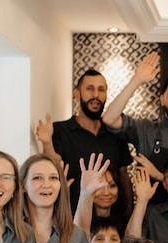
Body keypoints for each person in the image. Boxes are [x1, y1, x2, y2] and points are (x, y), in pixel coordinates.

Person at [102, 53, 168, 187]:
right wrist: (136, 80)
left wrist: (159, 176)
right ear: (162, 99)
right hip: (148, 201)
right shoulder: (144, 128)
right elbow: (109, 119)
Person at [34, 68, 133, 210]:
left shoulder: (115, 132)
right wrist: (47, 143)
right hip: (72, 216)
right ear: (77, 94)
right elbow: (54, 167)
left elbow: (124, 176)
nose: (96, 95)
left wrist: (129, 214)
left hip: (111, 219)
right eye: (89, 89)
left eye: (101, 90)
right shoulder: (60, 130)